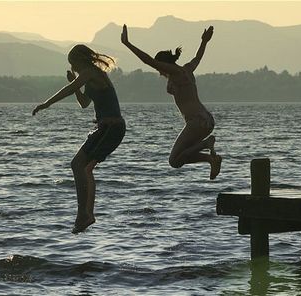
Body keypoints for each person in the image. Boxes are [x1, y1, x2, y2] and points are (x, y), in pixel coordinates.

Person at [32, 44, 125, 234]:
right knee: (76, 164)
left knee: (87, 167)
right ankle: (82, 213)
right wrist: (76, 85)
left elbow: (69, 88)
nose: (73, 68)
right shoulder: (89, 78)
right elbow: (84, 103)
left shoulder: (92, 72)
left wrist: (47, 103)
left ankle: (87, 214)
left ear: (80, 61)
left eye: (73, 64)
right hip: (103, 128)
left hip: (113, 128)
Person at [121, 25, 221, 179]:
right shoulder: (186, 69)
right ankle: (210, 158)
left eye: (159, 68)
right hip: (206, 120)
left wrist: (127, 43)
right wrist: (204, 41)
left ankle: (206, 145)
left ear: (164, 64)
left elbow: (147, 60)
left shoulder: (175, 72)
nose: (159, 72)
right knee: (179, 158)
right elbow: (197, 58)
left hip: (196, 121)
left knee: (174, 160)